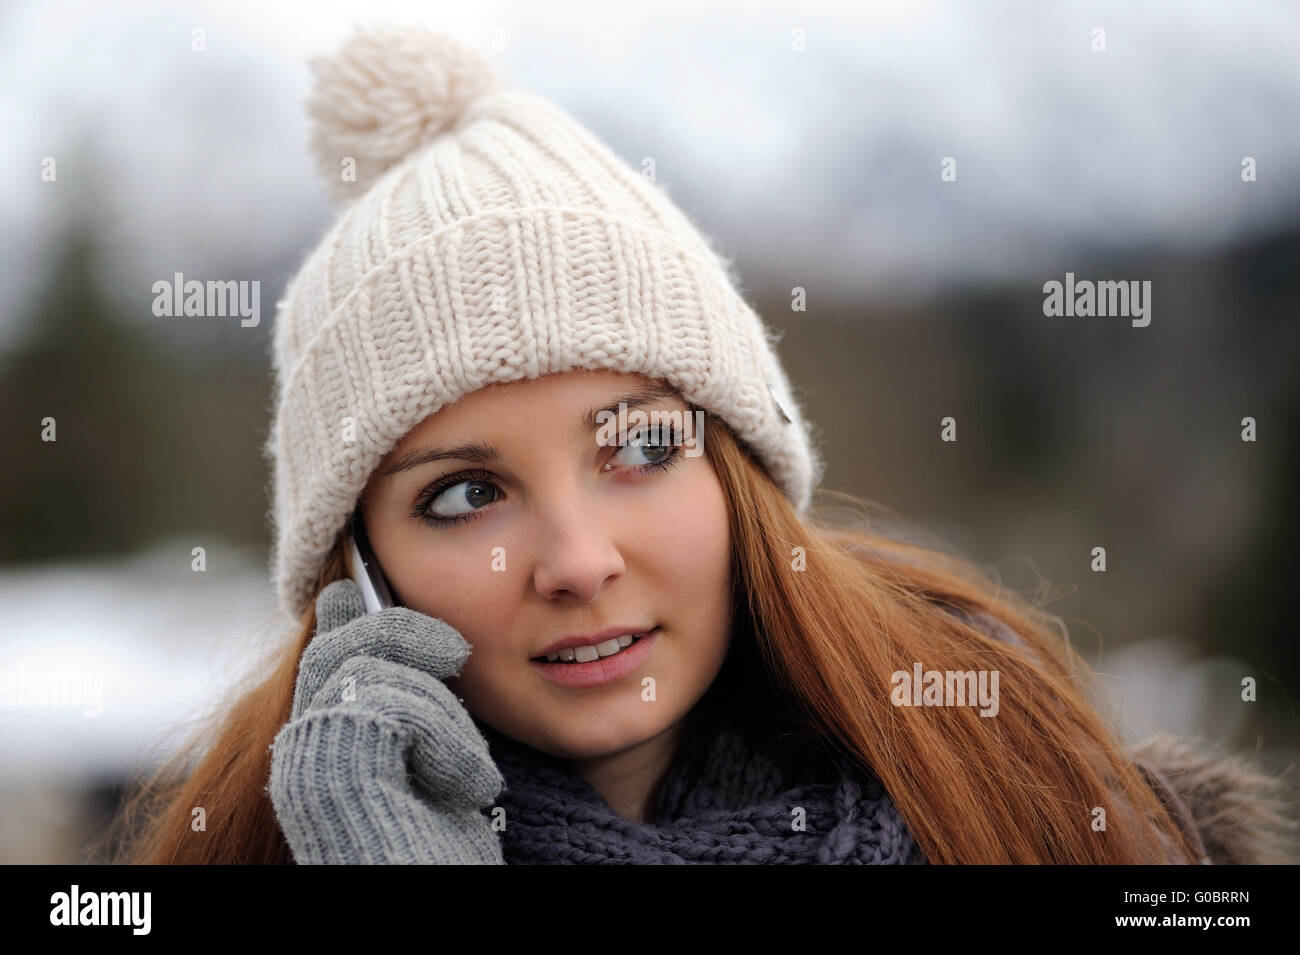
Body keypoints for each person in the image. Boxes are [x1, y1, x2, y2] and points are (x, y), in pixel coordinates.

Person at [116, 26, 1295, 865]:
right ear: (354, 576)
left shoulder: (1047, 800)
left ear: (739, 469)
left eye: (636, 447)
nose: (575, 560)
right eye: (467, 492)